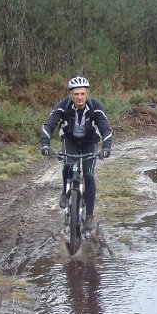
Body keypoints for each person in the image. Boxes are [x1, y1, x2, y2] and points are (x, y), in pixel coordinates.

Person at [40, 76, 112, 231]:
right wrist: (45, 145)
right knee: (68, 165)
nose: (79, 97)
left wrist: (106, 147)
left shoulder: (96, 107)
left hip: (89, 142)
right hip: (70, 140)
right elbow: (48, 125)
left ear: (87, 93)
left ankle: (90, 216)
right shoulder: (63, 106)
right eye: (76, 94)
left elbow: (106, 128)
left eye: (82, 94)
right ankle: (65, 192)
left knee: (88, 175)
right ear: (71, 94)